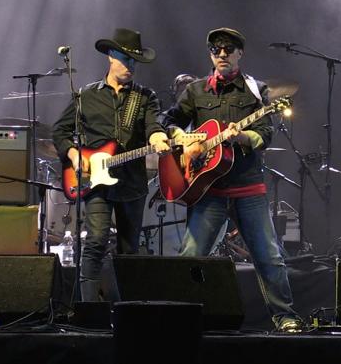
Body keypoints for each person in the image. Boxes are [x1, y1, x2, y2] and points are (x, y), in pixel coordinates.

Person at [163, 28, 303, 332]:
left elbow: (264, 134)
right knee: (191, 256)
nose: (221, 54)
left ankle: (285, 317)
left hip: (248, 187)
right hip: (208, 189)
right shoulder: (196, 91)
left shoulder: (256, 90)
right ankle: (180, 319)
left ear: (240, 53)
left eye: (228, 49)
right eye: (216, 50)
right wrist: (183, 139)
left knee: (269, 258)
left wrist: (241, 135)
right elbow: (170, 120)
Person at [52, 28, 170, 301]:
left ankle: (128, 310)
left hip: (132, 181)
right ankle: (90, 309)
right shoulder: (85, 96)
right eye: (125, 59)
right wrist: (72, 154)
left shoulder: (145, 97)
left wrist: (159, 137)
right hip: (95, 183)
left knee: (129, 250)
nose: (130, 66)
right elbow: (60, 131)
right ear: (110, 56)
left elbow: (154, 125)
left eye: (133, 61)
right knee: (95, 242)